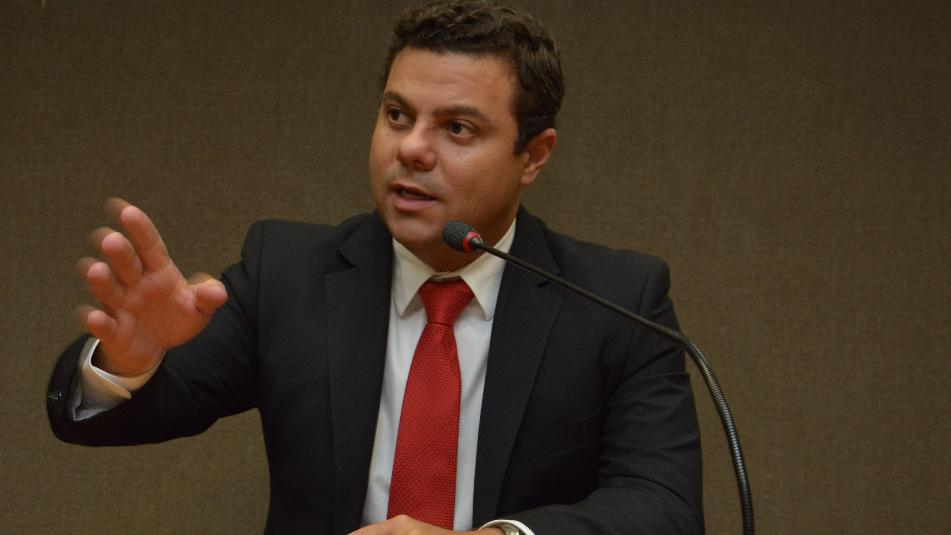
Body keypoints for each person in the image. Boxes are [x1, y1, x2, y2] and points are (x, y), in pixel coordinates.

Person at [46, 1, 704, 534]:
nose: (411, 148)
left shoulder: (616, 300)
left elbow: (663, 507)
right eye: (397, 115)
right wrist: (130, 361)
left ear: (533, 155)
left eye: (457, 128)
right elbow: (119, 417)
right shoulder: (286, 274)